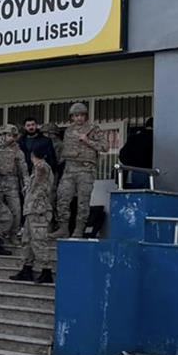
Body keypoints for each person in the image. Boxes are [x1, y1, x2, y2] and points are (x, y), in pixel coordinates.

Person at [55, 102, 109, 238]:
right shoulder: (68, 130)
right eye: (76, 115)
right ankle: (63, 228)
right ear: (72, 117)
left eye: (81, 115)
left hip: (85, 169)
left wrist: (87, 140)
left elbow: (105, 147)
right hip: (69, 169)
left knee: (83, 202)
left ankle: (79, 229)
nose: (79, 118)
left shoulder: (93, 129)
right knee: (63, 198)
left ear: (85, 116)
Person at [11, 144, 57, 284]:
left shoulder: (42, 167)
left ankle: (46, 270)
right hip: (31, 210)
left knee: (38, 241)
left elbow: (42, 170)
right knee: (27, 241)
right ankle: (27, 268)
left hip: (38, 210)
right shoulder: (36, 170)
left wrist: (39, 163)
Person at [0, 124, 27, 256]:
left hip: (12, 182)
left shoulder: (18, 152)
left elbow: (24, 170)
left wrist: (25, 186)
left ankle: (13, 235)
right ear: (2, 136)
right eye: (8, 135)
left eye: (12, 136)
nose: (10, 138)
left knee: (16, 210)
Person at [118, 117, 154, 189]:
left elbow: (122, 155)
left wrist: (132, 165)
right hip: (148, 174)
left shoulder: (134, 138)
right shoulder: (155, 138)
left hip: (130, 175)